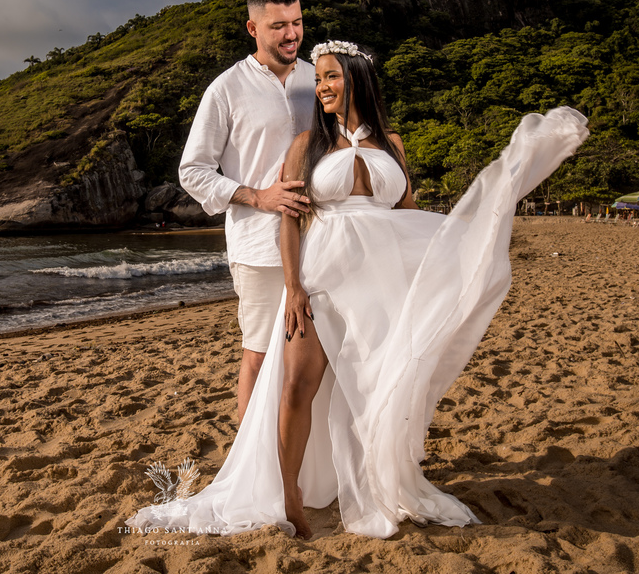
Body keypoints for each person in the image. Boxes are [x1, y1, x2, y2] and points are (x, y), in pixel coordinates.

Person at [130, 41, 588, 540]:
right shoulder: (307, 145)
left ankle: (372, 477)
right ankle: (289, 497)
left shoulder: (393, 144)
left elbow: (406, 214)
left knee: (371, 385)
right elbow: (289, 219)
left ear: (357, 79)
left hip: (379, 283)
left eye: (331, 77)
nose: (321, 87)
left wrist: (457, 248)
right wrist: (293, 286)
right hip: (320, 276)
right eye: (318, 79)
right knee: (296, 385)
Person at [179, 0, 315, 424]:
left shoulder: (320, 78)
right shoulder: (226, 89)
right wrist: (257, 196)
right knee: (260, 353)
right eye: (278, 26)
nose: (291, 34)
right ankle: (249, 461)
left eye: (297, 22)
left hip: (323, 241)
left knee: (317, 353)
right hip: (259, 247)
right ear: (253, 28)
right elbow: (192, 170)